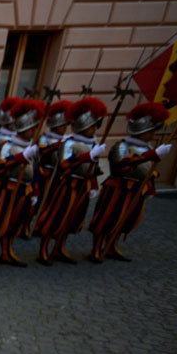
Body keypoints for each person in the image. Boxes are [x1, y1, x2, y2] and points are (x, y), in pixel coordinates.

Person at [87, 102, 172, 263]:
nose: (152, 134)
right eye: (150, 131)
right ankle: (97, 248)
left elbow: (148, 170)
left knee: (127, 220)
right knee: (108, 218)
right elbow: (120, 166)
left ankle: (111, 246)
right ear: (141, 131)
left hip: (137, 189)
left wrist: (150, 187)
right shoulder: (122, 146)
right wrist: (150, 155)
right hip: (119, 188)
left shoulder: (148, 148)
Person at [34, 97, 107, 265]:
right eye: (92, 126)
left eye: (96, 125)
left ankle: (59, 247)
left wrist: (94, 184)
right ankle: (43, 249)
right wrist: (86, 156)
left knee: (74, 219)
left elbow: (93, 167)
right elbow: (64, 164)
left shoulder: (94, 143)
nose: (95, 129)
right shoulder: (68, 143)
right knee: (56, 216)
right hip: (67, 185)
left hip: (84, 185)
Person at [0, 99, 41, 269]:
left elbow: (35, 171)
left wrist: (35, 192)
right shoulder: (7, 146)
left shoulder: (32, 147)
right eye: (31, 128)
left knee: (15, 223)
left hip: (24, 190)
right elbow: (0, 165)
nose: (34, 131)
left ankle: (7, 251)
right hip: (7, 188)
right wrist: (19, 158)